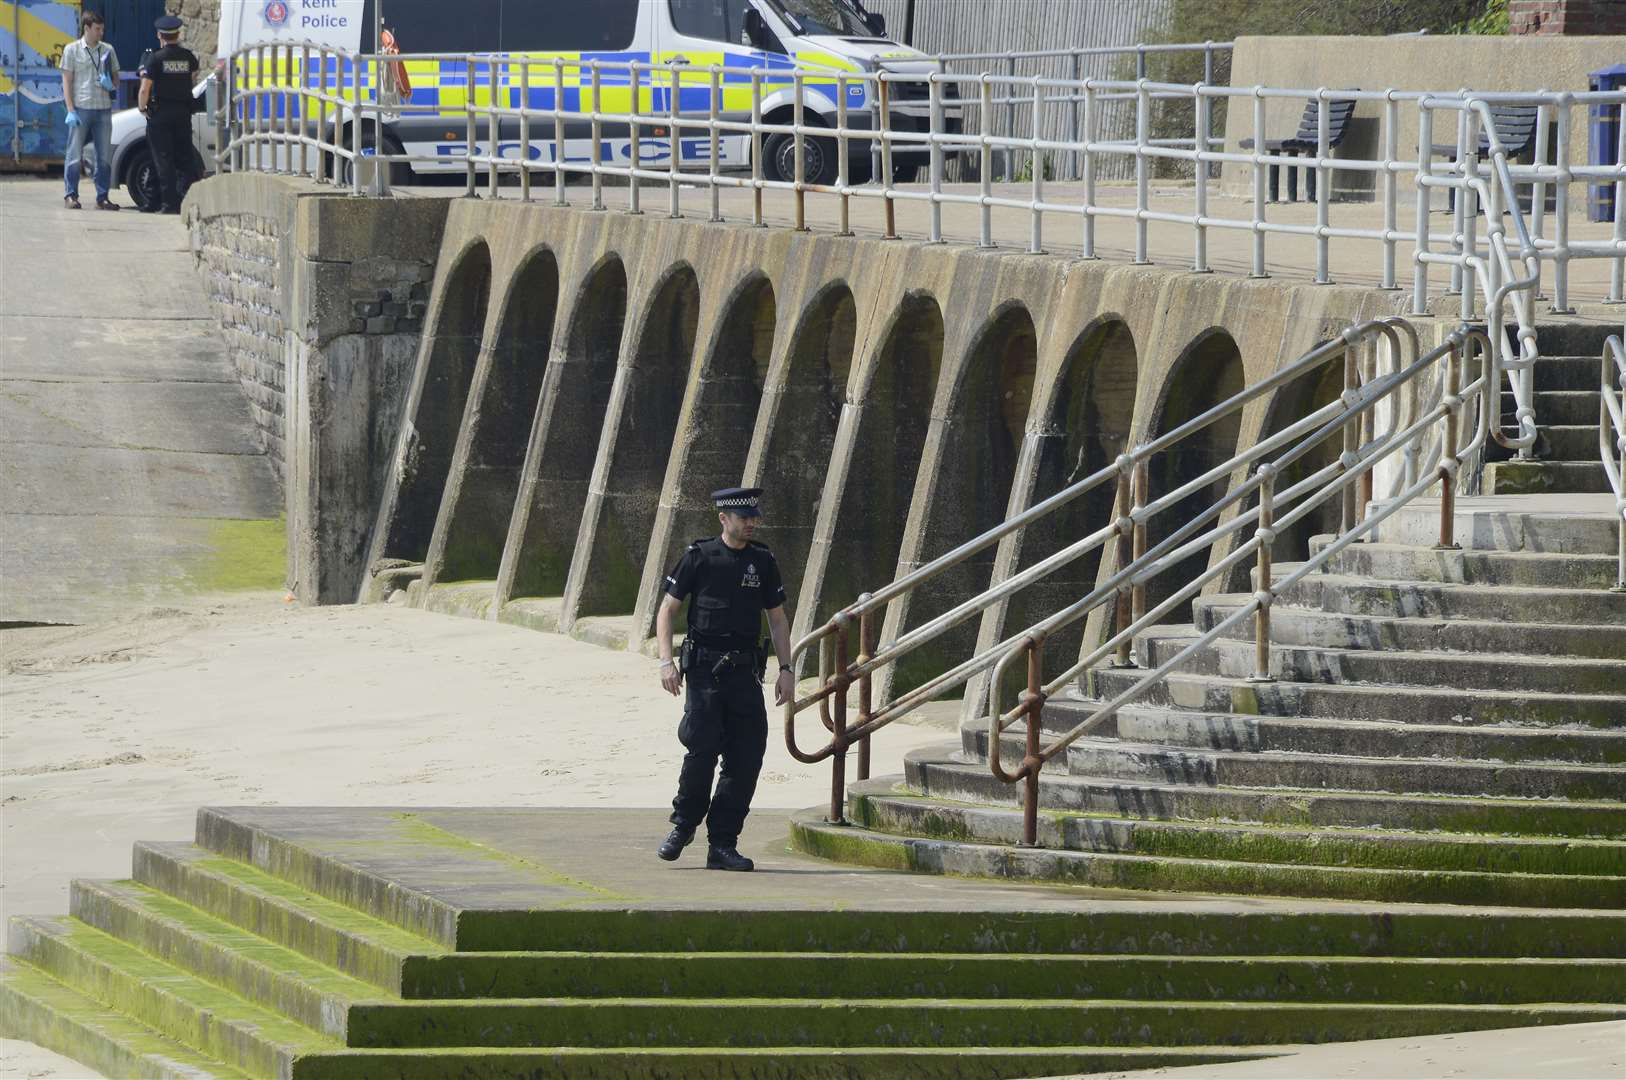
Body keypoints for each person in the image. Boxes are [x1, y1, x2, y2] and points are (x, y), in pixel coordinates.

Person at [655, 488, 796, 872]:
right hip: (703, 674)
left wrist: (786, 670)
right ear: (723, 518)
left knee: (746, 757)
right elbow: (667, 610)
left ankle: (723, 844)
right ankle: (683, 826)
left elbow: (778, 618)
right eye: (743, 516)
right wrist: (666, 663)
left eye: (754, 516)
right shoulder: (698, 557)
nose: (751, 522)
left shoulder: (762, 561)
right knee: (701, 751)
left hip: (745, 675)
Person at [137, 16, 200, 215]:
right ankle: (183, 200)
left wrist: (142, 107)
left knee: (162, 159)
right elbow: (192, 78)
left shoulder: (155, 59)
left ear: (159, 35)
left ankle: (169, 204)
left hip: (161, 114)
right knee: (184, 159)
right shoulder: (188, 57)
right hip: (182, 113)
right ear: (178, 34)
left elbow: (145, 89)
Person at [59, 11, 120, 210]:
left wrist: (110, 84)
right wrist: (70, 109)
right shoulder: (72, 50)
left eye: (102, 29)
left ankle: (102, 198)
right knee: (74, 155)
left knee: (103, 157)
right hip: (81, 109)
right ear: (86, 28)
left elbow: (116, 79)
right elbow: (67, 82)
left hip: (103, 110)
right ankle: (71, 196)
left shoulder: (108, 50)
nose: (101, 33)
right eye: (97, 29)